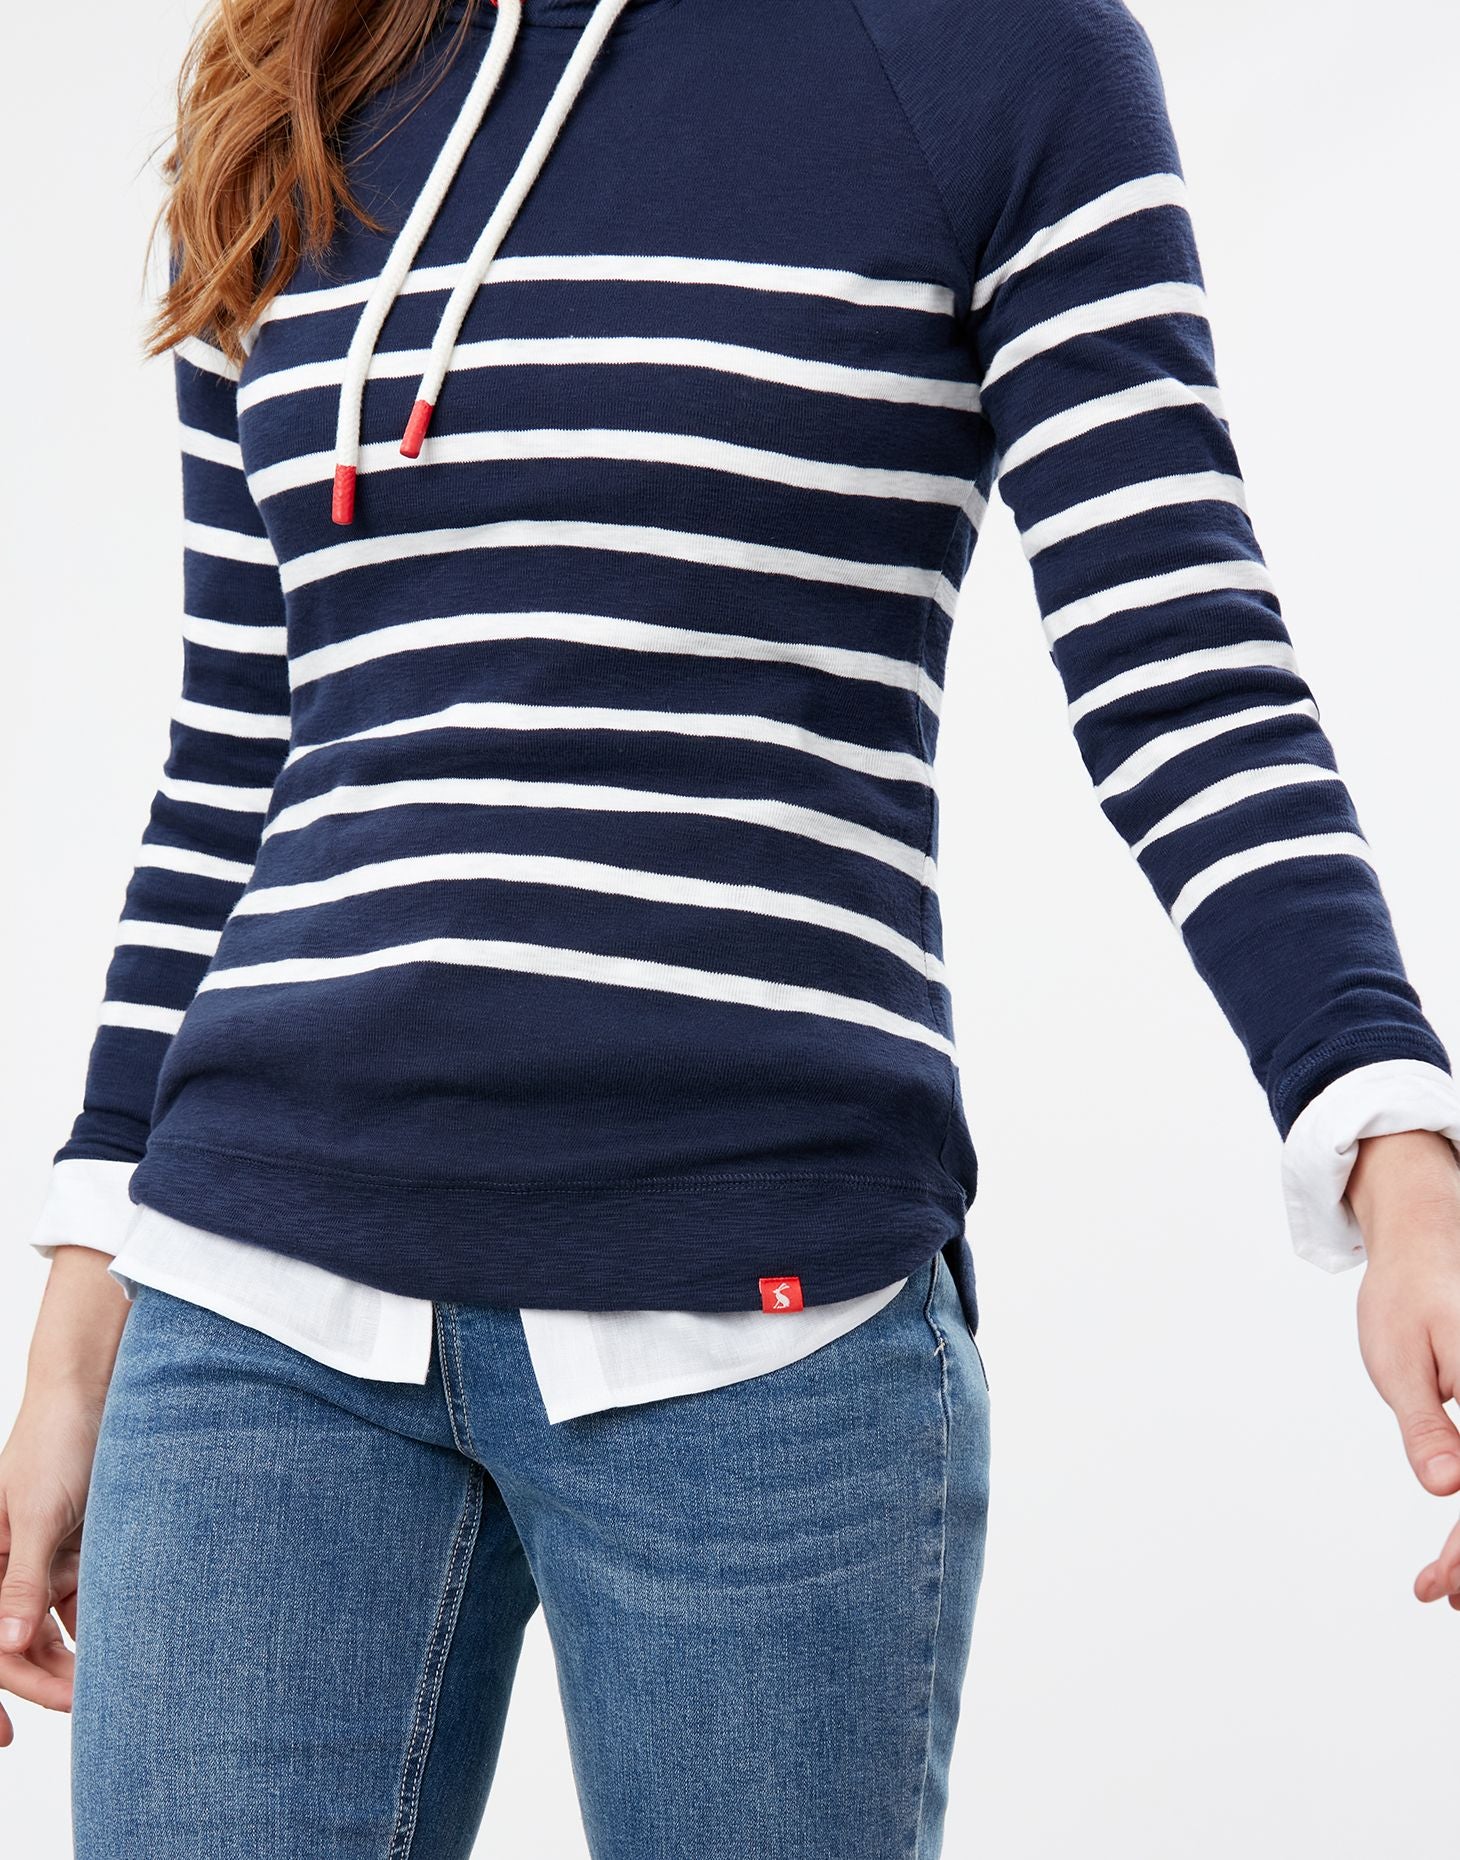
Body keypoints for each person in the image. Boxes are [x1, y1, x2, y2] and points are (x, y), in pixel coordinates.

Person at [3, 0, 1459, 1852]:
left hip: (761, 1333)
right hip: (252, 1305)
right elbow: (244, 741)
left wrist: (1398, 1157)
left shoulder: (999, 53)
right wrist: (81, 1309)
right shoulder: (300, 62)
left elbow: (1179, 663)